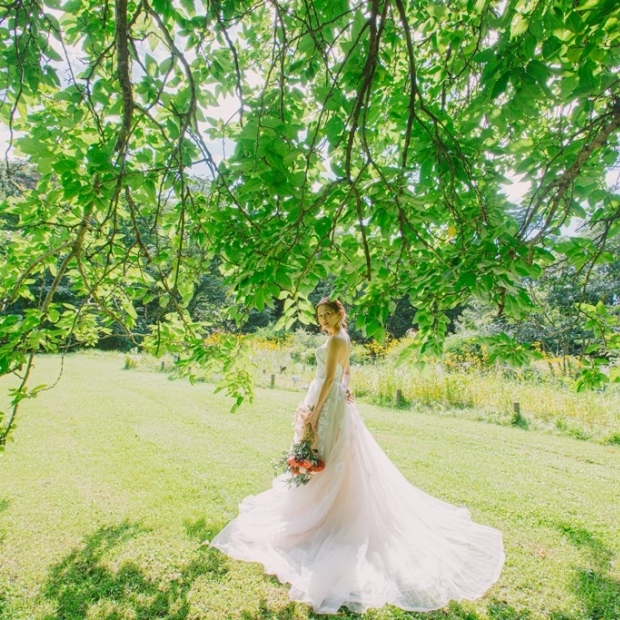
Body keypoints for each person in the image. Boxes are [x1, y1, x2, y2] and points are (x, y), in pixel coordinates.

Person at [210, 297, 505, 614]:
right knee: (329, 453)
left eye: (328, 314)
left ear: (340, 314)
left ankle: (329, 514)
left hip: (327, 402)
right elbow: (345, 372)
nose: (323, 320)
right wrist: (345, 388)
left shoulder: (338, 339)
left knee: (326, 452)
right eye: (320, 315)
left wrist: (315, 412)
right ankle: (322, 504)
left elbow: (327, 379)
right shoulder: (338, 338)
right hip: (333, 398)